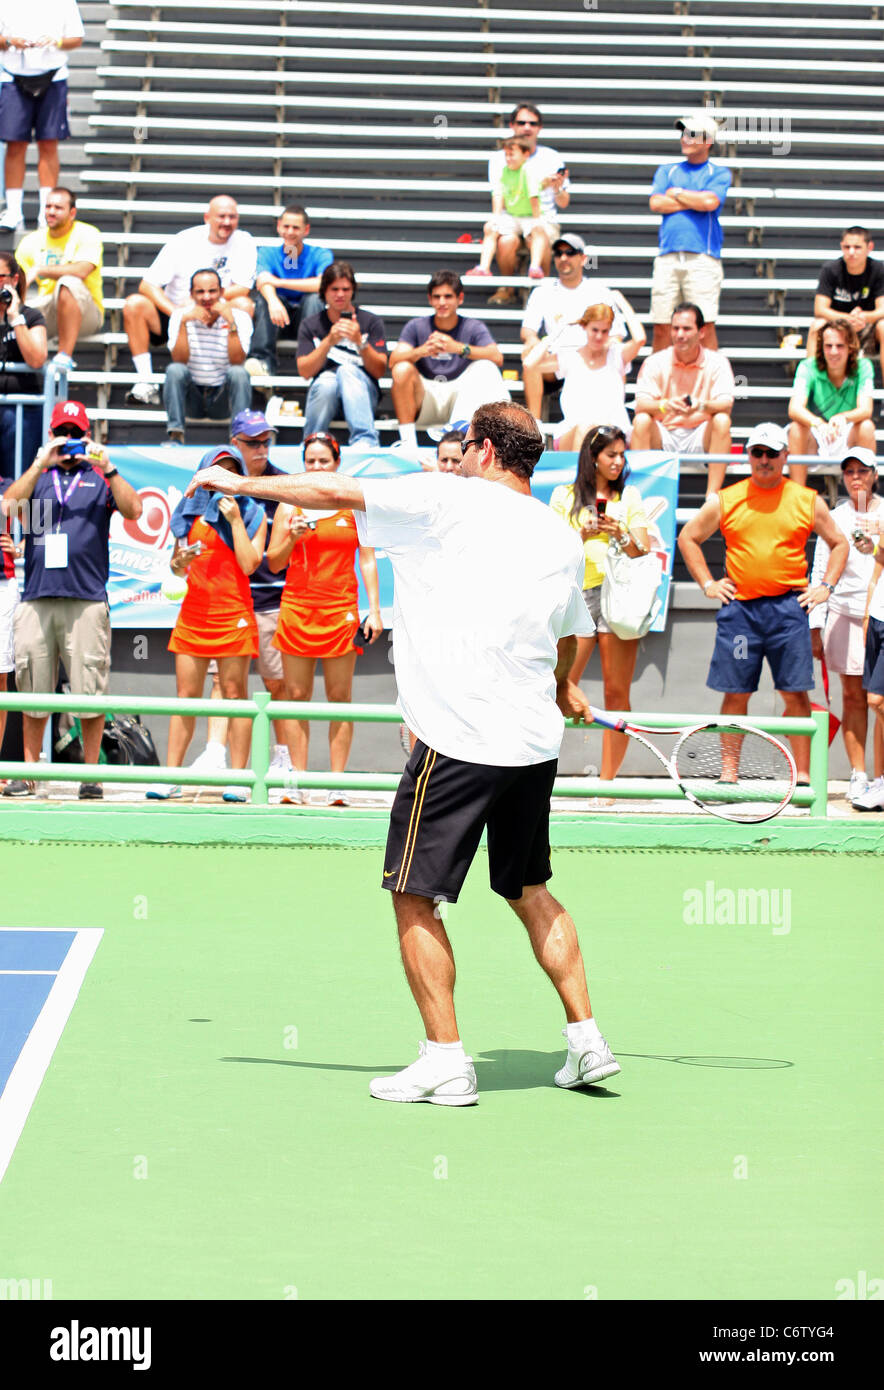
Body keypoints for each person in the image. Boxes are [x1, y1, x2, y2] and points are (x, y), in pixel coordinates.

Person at [188, 401, 619, 1107]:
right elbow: (574, 631)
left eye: (464, 446)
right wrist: (566, 686)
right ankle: (587, 1042)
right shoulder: (558, 536)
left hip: (457, 743)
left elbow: (330, 491)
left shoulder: (445, 496)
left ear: (480, 451)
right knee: (529, 889)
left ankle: (445, 1061)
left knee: (414, 894)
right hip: (534, 746)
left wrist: (241, 487)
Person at [677, 422, 849, 785]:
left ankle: (802, 775)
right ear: (748, 456)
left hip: (789, 608)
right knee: (735, 692)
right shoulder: (729, 497)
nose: (765, 460)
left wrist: (826, 586)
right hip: (741, 611)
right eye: (758, 452)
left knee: (795, 693)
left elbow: (840, 542)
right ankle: (728, 773)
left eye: (773, 453)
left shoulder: (805, 499)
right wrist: (708, 583)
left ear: (786, 456)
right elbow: (689, 537)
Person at [1, 398, 142, 799]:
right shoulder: (42, 479)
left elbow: (135, 510)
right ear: (51, 435)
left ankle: (91, 775)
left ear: (88, 436)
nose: (70, 442)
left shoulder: (98, 478)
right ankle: (28, 773)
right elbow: (9, 507)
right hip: (39, 596)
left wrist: (109, 466)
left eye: (76, 434)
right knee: (33, 689)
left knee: (89, 690)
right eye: (63, 433)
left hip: (86, 598)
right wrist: (38, 464)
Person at [265, 430, 382, 806]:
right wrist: (292, 538)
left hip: (341, 611)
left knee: (339, 697)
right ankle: (297, 782)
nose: (316, 467)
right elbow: (274, 561)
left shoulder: (353, 504)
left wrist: (375, 610)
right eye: (310, 461)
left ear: (337, 463)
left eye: (323, 461)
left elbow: (367, 559)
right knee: (296, 697)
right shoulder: (288, 505)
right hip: (298, 609)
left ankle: (336, 783)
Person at [184, 409, 297, 792]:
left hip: (271, 600)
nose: (262, 448)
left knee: (275, 683)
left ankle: (282, 758)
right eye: (253, 442)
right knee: (224, 684)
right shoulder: (215, 485)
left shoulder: (282, 484)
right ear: (235, 444)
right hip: (229, 602)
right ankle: (217, 755)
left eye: (267, 440)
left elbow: (263, 556)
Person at [146, 445, 266, 804]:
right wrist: (178, 563)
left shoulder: (253, 513)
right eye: (217, 472)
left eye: (231, 472)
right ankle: (172, 776)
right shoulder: (188, 513)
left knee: (235, 696)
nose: (223, 479)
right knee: (185, 697)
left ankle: (240, 778)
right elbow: (177, 568)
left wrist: (233, 521)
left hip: (234, 615)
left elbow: (249, 565)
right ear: (204, 474)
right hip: (194, 614)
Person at [549, 425, 650, 786]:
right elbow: (549, 549)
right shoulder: (565, 496)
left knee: (617, 692)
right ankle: (539, 778)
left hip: (618, 596)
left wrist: (618, 530)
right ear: (593, 457)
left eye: (623, 455)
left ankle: (607, 784)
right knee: (558, 685)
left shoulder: (630, 496)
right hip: (578, 594)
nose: (618, 462)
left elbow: (643, 548)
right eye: (611, 455)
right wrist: (581, 534)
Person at [123, 195, 256, 407]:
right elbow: (147, 285)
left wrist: (210, 302)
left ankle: (233, 371)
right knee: (133, 304)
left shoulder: (245, 241)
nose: (227, 222)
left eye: (232, 217)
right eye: (221, 216)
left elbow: (243, 287)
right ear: (207, 218)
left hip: (218, 311)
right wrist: (177, 313)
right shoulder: (184, 241)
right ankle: (145, 380)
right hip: (177, 312)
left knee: (244, 304)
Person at [807, 446, 883, 804]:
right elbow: (821, 569)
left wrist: (876, 542)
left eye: (862, 471)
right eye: (849, 471)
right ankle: (859, 775)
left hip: (881, 617)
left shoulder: (882, 511)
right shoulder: (835, 516)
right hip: (845, 614)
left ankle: (880, 777)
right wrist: (814, 626)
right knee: (853, 697)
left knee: (879, 701)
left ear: (874, 475)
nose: (856, 477)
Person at [520, 232, 642, 421]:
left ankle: (617, 417)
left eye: (570, 253)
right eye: (558, 253)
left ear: (583, 258)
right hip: (557, 360)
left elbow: (617, 335)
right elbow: (528, 332)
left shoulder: (599, 291)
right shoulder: (542, 292)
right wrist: (538, 344)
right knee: (530, 351)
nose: (563, 258)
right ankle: (536, 426)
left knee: (616, 353)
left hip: (594, 354)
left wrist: (596, 350)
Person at [390, 269, 509, 448]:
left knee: (486, 367)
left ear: (460, 298)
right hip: (426, 395)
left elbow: (496, 357)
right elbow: (393, 360)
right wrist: (422, 351)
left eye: (448, 296)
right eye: (437, 297)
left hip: (460, 394)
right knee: (401, 369)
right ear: (430, 299)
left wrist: (458, 348)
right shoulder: (416, 326)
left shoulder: (472, 326)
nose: (442, 302)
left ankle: (459, 431)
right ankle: (408, 443)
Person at [631, 302, 734, 495]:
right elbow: (641, 405)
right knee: (641, 420)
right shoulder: (655, 361)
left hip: (700, 436)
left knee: (722, 420)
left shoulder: (718, 362)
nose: (680, 334)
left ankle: (711, 497)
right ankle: (639, 497)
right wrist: (665, 406)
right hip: (664, 435)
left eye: (686, 329)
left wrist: (700, 406)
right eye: (675, 328)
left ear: (701, 332)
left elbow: (726, 405)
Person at [649, 113, 731, 353]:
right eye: (684, 133)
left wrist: (675, 194)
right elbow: (656, 204)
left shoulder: (719, 171)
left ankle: (711, 387)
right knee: (662, 326)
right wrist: (693, 199)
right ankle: (658, 385)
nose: (685, 138)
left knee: (704, 327)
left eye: (692, 134)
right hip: (668, 255)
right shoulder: (668, 170)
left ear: (707, 142)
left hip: (702, 258)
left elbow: (710, 202)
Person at [0, 5, 84, 233]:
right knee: (15, 145)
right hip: (13, 75)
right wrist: (10, 41)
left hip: (53, 76)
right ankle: (14, 211)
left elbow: (76, 38)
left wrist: (55, 41)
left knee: (49, 143)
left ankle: (46, 212)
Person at [484, 103, 570, 304]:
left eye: (533, 123)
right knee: (506, 241)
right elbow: (498, 194)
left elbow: (564, 202)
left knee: (540, 238)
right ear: (512, 125)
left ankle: (544, 291)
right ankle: (506, 288)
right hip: (512, 216)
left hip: (543, 217)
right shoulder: (499, 159)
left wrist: (557, 187)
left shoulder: (552, 157)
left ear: (540, 128)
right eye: (522, 122)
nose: (527, 127)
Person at [295, 261, 387, 447]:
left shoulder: (371, 322)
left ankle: (365, 442)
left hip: (363, 393)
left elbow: (379, 371)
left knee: (346, 370)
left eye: (345, 289)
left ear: (353, 290)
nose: (340, 294)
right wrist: (328, 341)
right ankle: (312, 443)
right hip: (326, 394)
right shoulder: (311, 324)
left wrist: (360, 342)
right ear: (324, 292)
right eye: (334, 289)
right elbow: (304, 371)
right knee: (327, 381)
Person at [15, 185, 102, 370]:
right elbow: (16, 281)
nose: (51, 212)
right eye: (48, 206)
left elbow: (82, 270)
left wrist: (40, 269)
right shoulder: (30, 241)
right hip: (47, 307)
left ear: (72, 213)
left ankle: (64, 357)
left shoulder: (88, 233)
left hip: (86, 311)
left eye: (58, 208)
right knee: (11, 311)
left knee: (68, 282)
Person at [245, 203, 333, 383]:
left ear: (306, 230)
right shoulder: (267, 252)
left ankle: (314, 359)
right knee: (265, 297)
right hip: (277, 318)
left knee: (315, 299)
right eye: (286, 226)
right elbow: (262, 280)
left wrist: (279, 282)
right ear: (278, 226)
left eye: (296, 227)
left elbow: (323, 284)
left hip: (306, 316)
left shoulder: (320, 254)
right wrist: (273, 301)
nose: (290, 231)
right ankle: (262, 362)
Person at [163, 268, 252, 443]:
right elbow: (179, 360)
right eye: (200, 292)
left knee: (239, 373)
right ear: (191, 294)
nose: (206, 297)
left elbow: (238, 360)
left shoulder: (239, 317)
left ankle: (240, 439)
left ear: (222, 292)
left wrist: (230, 323)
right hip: (192, 395)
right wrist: (183, 324)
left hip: (222, 397)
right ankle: (175, 435)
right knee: (174, 370)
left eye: (212, 291)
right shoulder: (179, 316)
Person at [787, 319, 875, 483]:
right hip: (818, 434)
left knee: (866, 427)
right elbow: (794, 408)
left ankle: (864, 503)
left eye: (840, 346)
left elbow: (866, 409)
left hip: (847, 432)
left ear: (850, 347)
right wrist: (819, 423)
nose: (833, 352)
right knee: (797, 428)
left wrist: (843, 417)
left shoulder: (864, 366)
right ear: (821, 347)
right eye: (828, 346)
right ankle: (798, 501)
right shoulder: (807, 366)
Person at [553, 304, 645, 451]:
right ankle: (582, 474)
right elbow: (529, 364)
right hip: (574, 432)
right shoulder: (570, 356)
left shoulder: (617, 355)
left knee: (601, 432)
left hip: (611, 431)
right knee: (584, 429)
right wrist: (558, 331)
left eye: (605, 331)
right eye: (594, 330)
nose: (599, 336)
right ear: (584, 326)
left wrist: (622, 303)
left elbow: (640, 339)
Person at [466, 137, 547, 283]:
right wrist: (496, 217)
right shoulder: (504, 171)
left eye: (512, 154)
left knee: (539, 231)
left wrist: (537, 220)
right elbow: (498, 194)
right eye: (506, 155)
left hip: (530, 216)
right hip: (512, 215)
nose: (508, 158)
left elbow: (534, 197)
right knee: (490, 228)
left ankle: (535, 267)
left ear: (526, 154)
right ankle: (484, 267)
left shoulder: (529, 170)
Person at [809, 225, 884, 371]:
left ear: (870, 247)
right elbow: (819, 309)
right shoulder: (830, 270)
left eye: (857, 247)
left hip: (867, 329)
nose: (851, 252)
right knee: (817, 326)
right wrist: (848, 319)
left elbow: (882, 310)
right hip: (837, 329)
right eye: (847, 247)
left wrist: (862, 317)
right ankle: (809, 388)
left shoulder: (879, 270)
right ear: (841, 247)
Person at [0, 248, 47, 477]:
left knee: (16, 483)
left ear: (14, 279)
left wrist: (15, 318)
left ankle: (15, 515)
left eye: (0, 277)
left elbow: (37, 358)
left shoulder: (30, 317)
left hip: (21, 412)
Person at [854, 531, 884, 810]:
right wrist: (867, 616)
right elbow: (878, 565)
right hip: (877, 620)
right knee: (877, 705)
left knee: (877, 701)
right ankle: (880, 781)